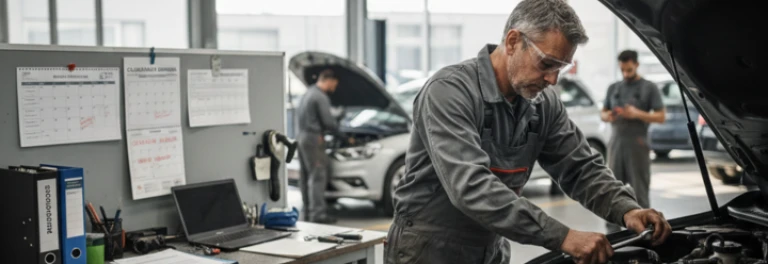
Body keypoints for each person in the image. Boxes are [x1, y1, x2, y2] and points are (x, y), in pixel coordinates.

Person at [385, 1, 671, 264]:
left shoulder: (543, 104)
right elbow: (471, 187)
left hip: (490, 249)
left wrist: (626, 209)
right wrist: (564, 237)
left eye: (561, 68)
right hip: (428, 250)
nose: (552, 79)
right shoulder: (449, 91)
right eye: (547, 64)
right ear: (513, 42)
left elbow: (580, 167)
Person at [601, 50, 666, 209]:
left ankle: (644, 232)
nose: (625, 73)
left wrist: (637, 113)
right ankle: (613, 233)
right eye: (622, 70)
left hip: (638, 144)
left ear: (636, 65)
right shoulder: (613, 88)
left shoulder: (649, 87)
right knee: (613, 192)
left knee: (639, 193)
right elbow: (602, 112)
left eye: (629, 70)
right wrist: (608, 115)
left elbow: (661, 116)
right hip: (615, 144)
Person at [296, 69, 340, 224]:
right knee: (318, 176)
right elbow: (328, 122)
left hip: (301, 137)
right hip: (314, 139)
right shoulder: (320, 96)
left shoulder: (307, 93)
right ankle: (318, 214)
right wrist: (338, 127)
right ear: (329, 80)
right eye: (334, 84)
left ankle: (307, 211)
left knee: (305, 176)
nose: (334, 88)